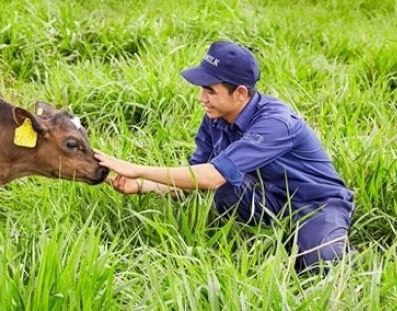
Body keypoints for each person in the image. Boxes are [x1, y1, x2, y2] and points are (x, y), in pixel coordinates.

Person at [95, 40, 354, 271]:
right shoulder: (215, 118)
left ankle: (335, 249)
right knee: (227, 188)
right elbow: (194, 182)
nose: (201, 98)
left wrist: (136, 168)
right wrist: (139, 186)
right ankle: (260, 242)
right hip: (267, 199)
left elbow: (210, 177)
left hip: (314, 203)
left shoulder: (276, 122)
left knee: (323, 265)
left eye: (210, 90)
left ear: (240, 93)